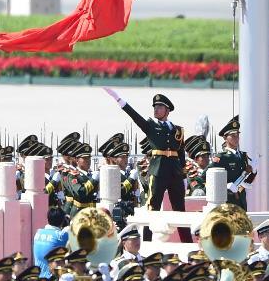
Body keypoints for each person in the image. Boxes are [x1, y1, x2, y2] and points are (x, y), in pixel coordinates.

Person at [103, 89, 191, 243]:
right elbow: (134, 116)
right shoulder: (150, 126)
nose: (156, 109)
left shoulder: (178, 130)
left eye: (159, 107)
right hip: (158, 171)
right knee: (152, 208)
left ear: (167, 110)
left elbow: (181, 153)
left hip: (175, 172)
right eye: (155, 107)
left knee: (180, 210)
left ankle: (188, 243)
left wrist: (184, 175)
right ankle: (147, 243)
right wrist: (118, 99)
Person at [211, 117, 256, 210]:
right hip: (227, 201)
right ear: (225, 138)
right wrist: (226, 185)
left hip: (242, 200)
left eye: (237, 135)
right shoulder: (221, 157)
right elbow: (206, 177)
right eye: (233, 136)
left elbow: (247, 182)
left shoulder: (243, 156)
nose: (236, 138)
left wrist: (254, 172)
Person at [33, 206, 69, 277]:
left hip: (38, 278)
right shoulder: (61, 236)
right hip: (52, 279)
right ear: (62, 221)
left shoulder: (38, 233)